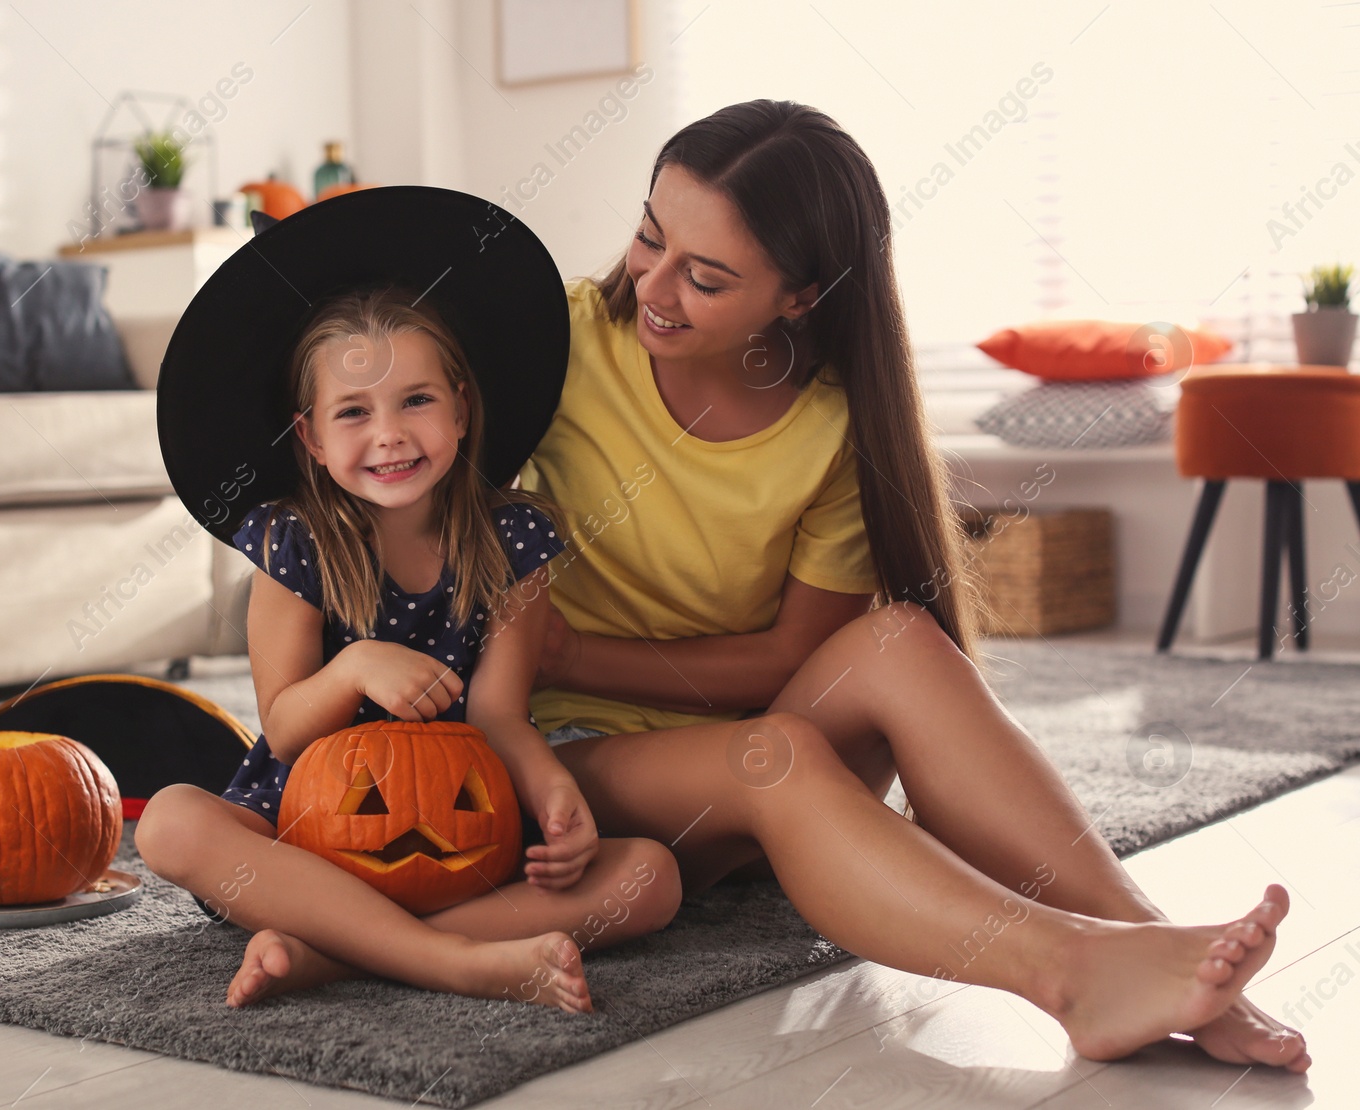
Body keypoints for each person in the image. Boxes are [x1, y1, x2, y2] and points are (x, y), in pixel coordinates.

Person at [515, 99, 1309, 1069]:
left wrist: (580, 644)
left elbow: (785, 657)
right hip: (574, 757)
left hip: (741, 749)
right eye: (649, 237)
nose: (656, 285)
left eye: (707, 277)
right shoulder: (554, 342)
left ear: (797, 298)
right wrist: (551, 658)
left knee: (896, 641)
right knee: (778, 752)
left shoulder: (830, 426)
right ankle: (1070, 974)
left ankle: (1148, 944)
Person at [138, 189, 681, 1014]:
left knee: (651, 876)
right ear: (314, 440)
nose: (389, 435)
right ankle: (457, 960)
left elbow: (499, 715)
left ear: (461, 408)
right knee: (171, 822)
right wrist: (355, 666)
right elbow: (283, 726)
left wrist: (550, 792)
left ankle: (339, 949)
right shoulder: (295, 544)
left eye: (416, 401)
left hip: (462, 832)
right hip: (302, 832)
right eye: (354, 413)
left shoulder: (514, 541)